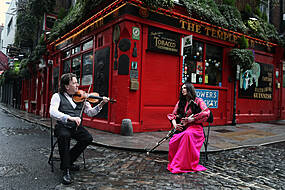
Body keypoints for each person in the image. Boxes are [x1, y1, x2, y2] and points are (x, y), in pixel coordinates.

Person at [49, 73, 109, 185]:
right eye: (75, 83)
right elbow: (52, 112)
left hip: (75, 127)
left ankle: (67, 161)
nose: (78, 85)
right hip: (63, 126)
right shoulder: (57, 96)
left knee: (87, 138)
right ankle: (66, 170)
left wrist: (101, 104)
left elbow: (90, 113)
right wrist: (69, 117)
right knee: (64, 136)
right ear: (67, 86)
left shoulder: (83, 97)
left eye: (77, 82)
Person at [167, 82, 210, 173]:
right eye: (182, 88)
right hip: (185, 128)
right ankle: (177, 162)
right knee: (173, 140)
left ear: (190, 89)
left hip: (196, 128)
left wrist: (193, 119)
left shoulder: (198, 101)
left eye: (185, 88)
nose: (183, 90)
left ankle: (183, 164)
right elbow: (173, 115)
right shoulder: (180, 102)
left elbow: (206, 112)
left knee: (187, 135)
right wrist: (175, 125)